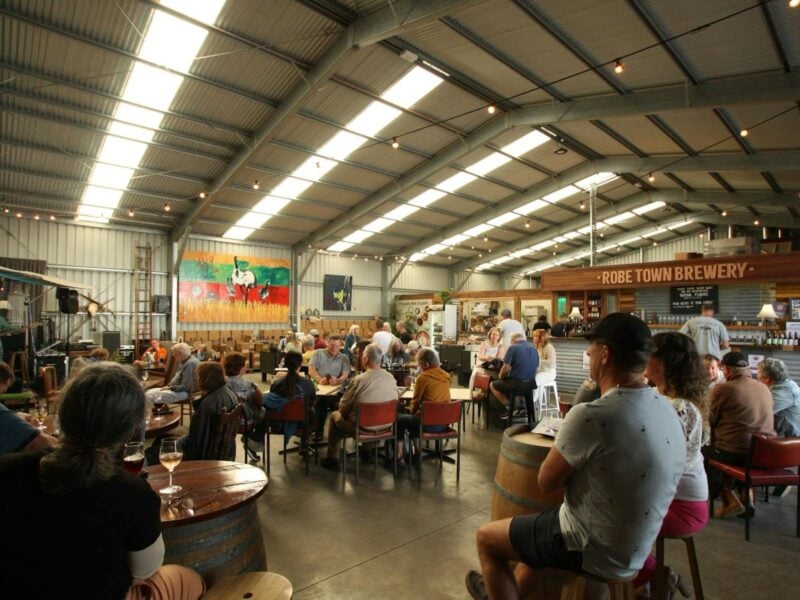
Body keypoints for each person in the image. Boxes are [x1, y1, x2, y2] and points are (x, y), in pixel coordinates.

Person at [466, 313, 685, 600]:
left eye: (591, 349)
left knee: (486, 538)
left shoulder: (593, 415)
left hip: (592, 545)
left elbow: (546, 482)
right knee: (535, 537)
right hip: (639, 546)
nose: (587, 353)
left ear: (605, 354)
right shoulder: (668, 409)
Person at [0, 362, 205, 599]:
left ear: (63, 415)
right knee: (189, 579)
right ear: (128, 430)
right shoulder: (133, 493)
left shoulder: (7, 469)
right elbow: (146, 569)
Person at [637, 332, 710, 596]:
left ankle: (656, 576)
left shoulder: (679, 407)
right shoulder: (661, 395)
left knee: (603, 517)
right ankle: (643, 583)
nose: (643, 358)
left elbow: (659, 463)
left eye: (649, 354)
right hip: (668, 497)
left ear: (666, 362)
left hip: (681, 506)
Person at [703, 351, 774, 518]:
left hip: (736, 453)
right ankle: (747, 497)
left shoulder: (723, 389)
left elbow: (708, 418)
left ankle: (730, 499)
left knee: (702, 455)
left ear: (726, 370)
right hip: (765, 452)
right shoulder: (763, 387)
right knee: (737, 453)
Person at [320, 344, 399, 471]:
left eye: (362, 355)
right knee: (373, 413)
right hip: (387, 425)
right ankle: (367, 451)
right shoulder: (390, 377)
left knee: (335, 415)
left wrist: (343, 412)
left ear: (366, 358)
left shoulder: (359, 380)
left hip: (361, 427)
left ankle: (332, 458)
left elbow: (344, 406)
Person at [395, 348, 451, 467]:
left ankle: (399, 456)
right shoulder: (446, 376)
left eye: (419, 364)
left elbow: (415, 401)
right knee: (413, 420)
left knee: (400, 420)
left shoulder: (423, 377)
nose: (419, 367)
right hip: (445, 423)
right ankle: (417, 452)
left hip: (428, 424)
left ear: (426, 364)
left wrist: (411, 411)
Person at [177, 361, 237, 461]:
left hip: (205, 455)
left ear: (205, 379)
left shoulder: (208, 404)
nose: (197, 379)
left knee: (156, 450)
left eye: (198, 376)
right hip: (224, 450)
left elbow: (196, 441)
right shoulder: (229, 393)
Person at [0, 362, 58, 454]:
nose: (5, 391)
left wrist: (16, 416)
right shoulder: (4, 416)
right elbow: (43, 443)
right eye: (2, 392)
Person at [309, 335, 351, 437]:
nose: (334, 348)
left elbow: (345, 375)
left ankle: (337, 434)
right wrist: (319, 379)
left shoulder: (344, 358)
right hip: (320, 388)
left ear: (340, 345)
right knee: (320, 404)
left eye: (337, 346)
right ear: (327, 343)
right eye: (332, 345)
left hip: (335, 390)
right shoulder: (318, 353)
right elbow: (311, 370)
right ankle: (318, 431)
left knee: (338, 405)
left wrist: (338, 381)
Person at [489, 332, 538, 421]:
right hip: (531, 384)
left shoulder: (513, 348)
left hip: (517, 384)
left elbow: (506, 368)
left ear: (513, 341)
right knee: (510, 383)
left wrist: (501, 377)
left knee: (493, 385)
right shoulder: (534, 348)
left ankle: (511, 408)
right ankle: (523, 409)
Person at [757, 357, 800, 438]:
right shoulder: (785, 385)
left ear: (767, 378)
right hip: (783, 435)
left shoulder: (784, 392)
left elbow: (761, 412)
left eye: (758, 372)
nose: (757, 376)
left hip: (789, 438)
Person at [468, 327, 504, 392]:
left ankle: (489, 393)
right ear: (490, 335)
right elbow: (480, 356)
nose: (494, 336)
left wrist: (493, 360)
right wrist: (487, 358)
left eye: (496, 335)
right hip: (483, 364)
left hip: (494, 366)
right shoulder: (484, 343)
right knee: (474, 373)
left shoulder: (500, 346)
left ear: (499, 337)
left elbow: (500, 358)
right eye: (493, 334)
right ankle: (471, 392)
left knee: (498, 376)